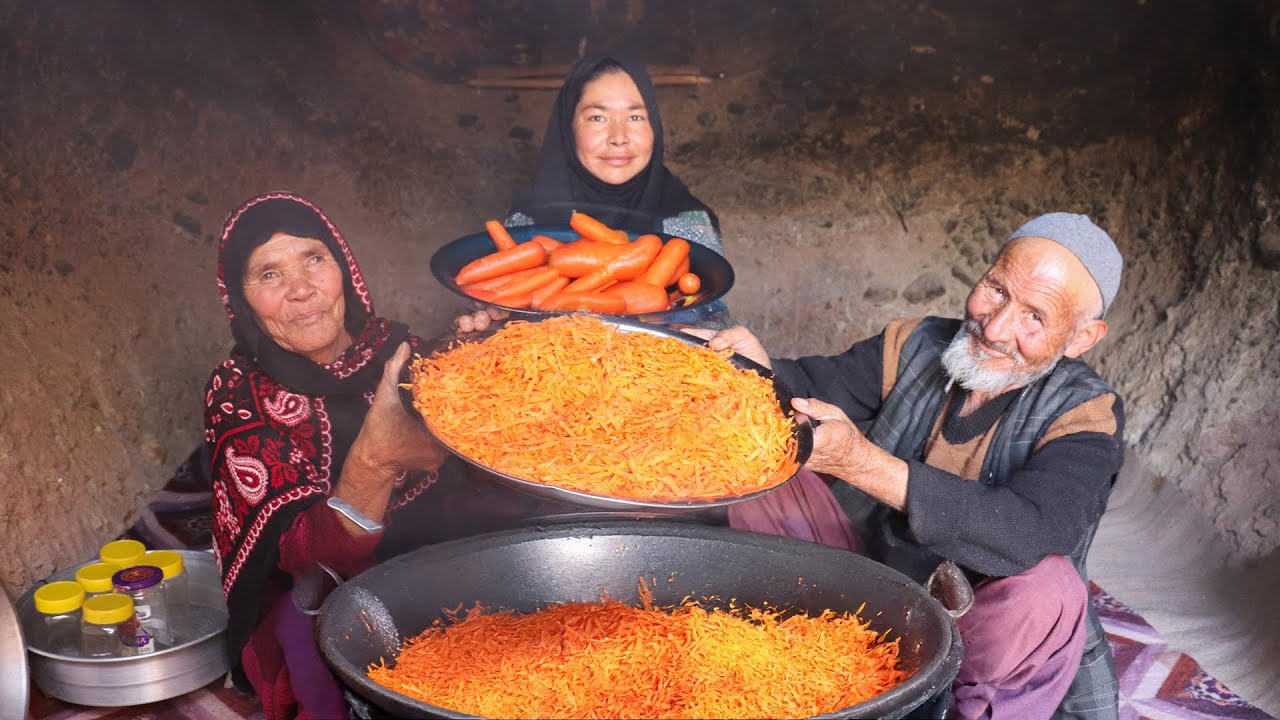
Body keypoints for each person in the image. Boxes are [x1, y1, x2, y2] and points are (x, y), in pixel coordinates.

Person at [688, 212, 1125, 719]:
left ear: (1081, 338)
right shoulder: (915, 343)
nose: (996, 326)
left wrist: (863, 465)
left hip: (976, 628)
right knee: (766, 451)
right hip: (867, 577)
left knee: (1051, 588)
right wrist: (756, 368)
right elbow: (808, 385)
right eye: (997, 290)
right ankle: (787, 656)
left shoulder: (1086, 415)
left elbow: (1029, 530)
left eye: (1035, 317)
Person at [205, 192, 454, 719]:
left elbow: (476, 454)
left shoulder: (397, 348)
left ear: (344, 267)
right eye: (268, 275)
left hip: (433, 561)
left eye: (314, 259)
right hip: (321, 590)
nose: (301, 290)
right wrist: (376, 460)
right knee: (312, 627)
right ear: (242, 299)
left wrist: (477, 349)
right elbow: (299, 553)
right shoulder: (236, 393)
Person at [457, 53, 727, 333]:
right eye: (598, 117)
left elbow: (714, 318)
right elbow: (503, 309)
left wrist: (691, 329)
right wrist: (487, 324)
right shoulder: (529, 218)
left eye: (635, 116)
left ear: (654, 128)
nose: (619, 136)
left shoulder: (686, 222)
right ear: (568, 127)